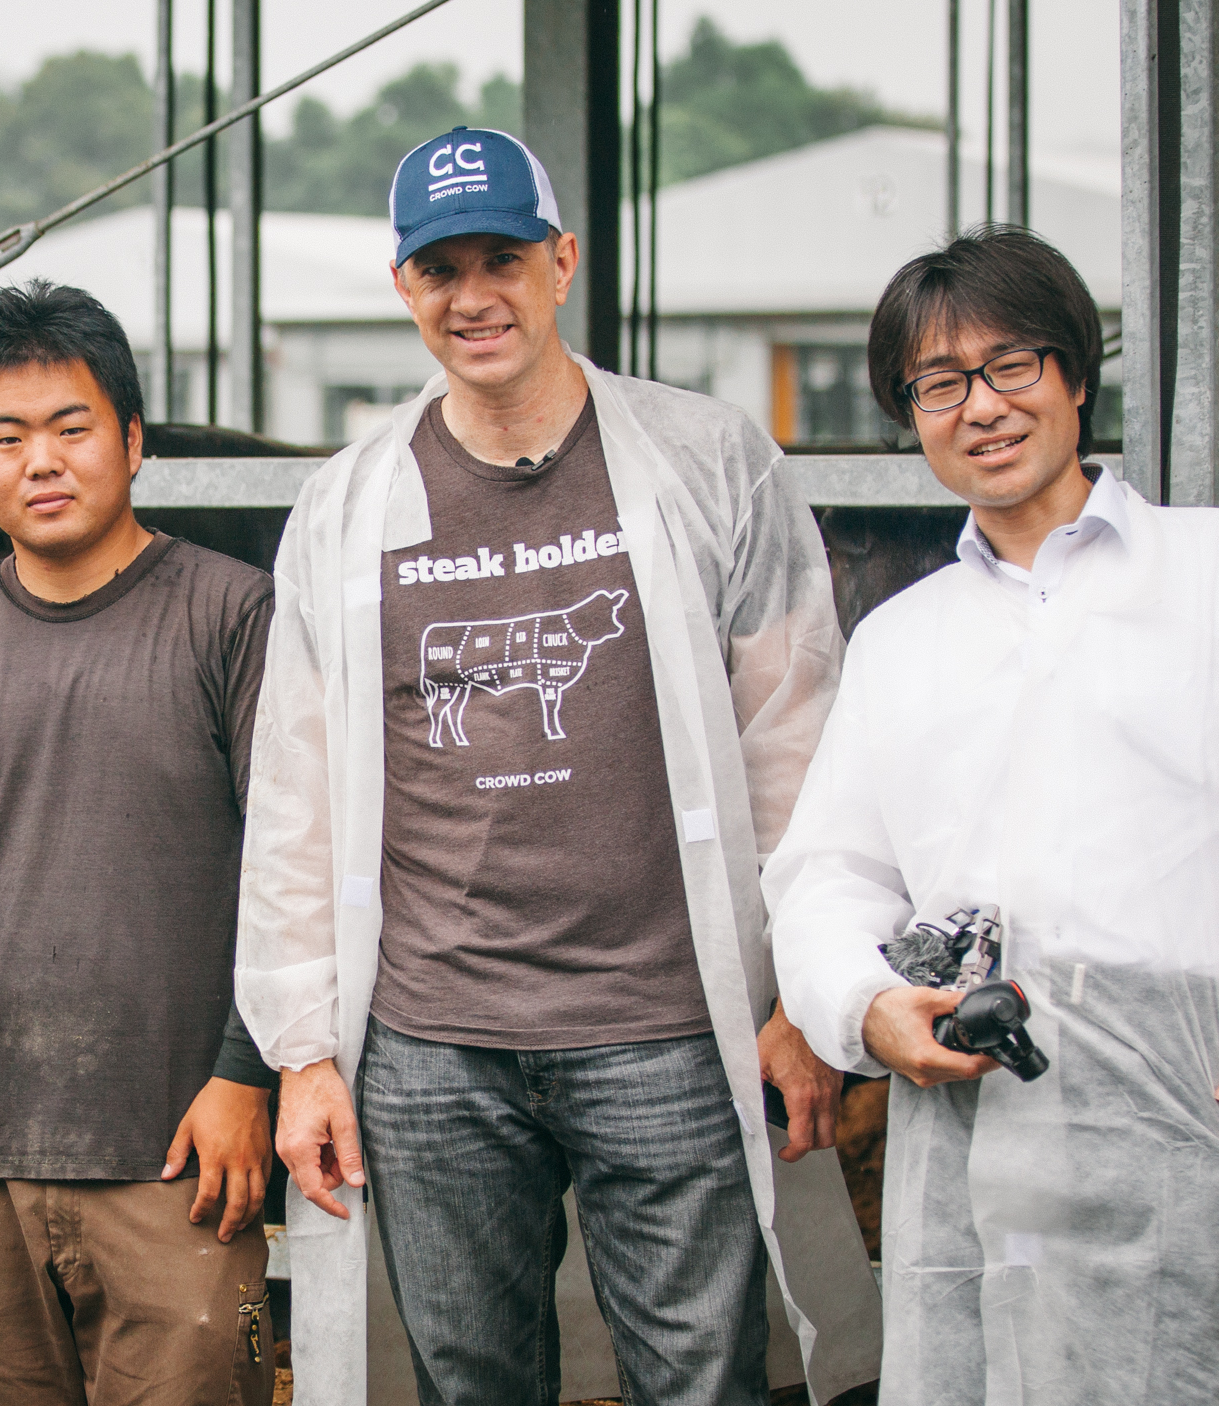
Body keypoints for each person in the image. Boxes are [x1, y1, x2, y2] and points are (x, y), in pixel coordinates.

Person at [236, 126, 883, 1406]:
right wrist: (304, 1047)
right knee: (471, 1380)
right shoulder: (349, 500)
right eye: (440, 269)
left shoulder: (704, 462)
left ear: (561, 261)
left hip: (669, 1026)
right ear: (403, 286)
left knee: (700, 1375)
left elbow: (796, 745)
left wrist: (798, 997)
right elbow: (295, 789)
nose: (473, 296)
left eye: (503, 258)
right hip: (431, 1043)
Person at [765, 226, 1219, 1405]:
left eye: (1011, 365)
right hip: (967, 1127)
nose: (982, 406)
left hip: (1179, 1127)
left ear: (1072, 375)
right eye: (940, 383)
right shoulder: (906, 639)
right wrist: (866, 1007)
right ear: (911, 415)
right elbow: (827, 872)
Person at [0, 280, 281, 1406]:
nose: (42, 460)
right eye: (7, 435)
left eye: (71, 427)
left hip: (177, 1155)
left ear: (132, 442)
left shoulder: (234, 617)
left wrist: (244, 1071)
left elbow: (294, 863)